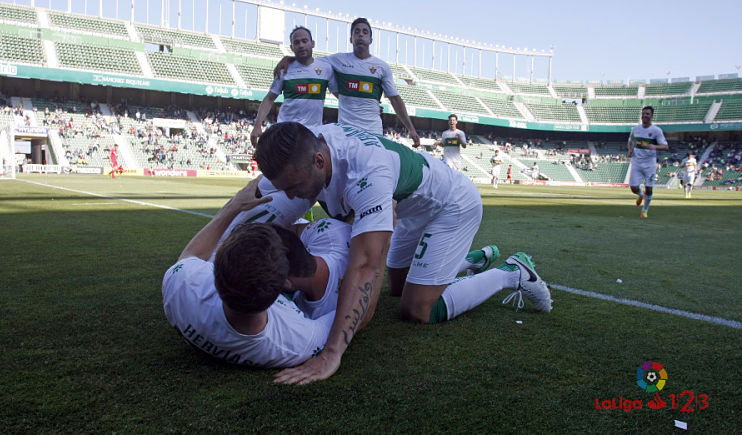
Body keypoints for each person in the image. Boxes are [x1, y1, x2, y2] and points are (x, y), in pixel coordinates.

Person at [255, 122, 552, 384]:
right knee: (397, 288)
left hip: (452, 206)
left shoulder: (366, 173)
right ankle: (464, 261)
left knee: (418, 309)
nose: (292, 196)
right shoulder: (306, 144)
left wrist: (332, 353)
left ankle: (511, 272)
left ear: (320, 161)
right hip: (410, 209)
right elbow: (256, 196)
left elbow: (366, 266)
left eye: (294, 187)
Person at [162, 176, 352, 368]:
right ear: (283, 288)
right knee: (306, 182)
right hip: (324, 249)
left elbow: (191, 255)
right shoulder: (297, 341)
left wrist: (234, 206)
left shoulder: (181, 284)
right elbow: (353, 312)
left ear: (214, 271)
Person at [275, 18, 420, 146]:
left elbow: (395, 99)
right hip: (346, 133)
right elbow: (308, 60)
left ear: (370, 39)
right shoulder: (338, 60)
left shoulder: (382, 67)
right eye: (356, 32)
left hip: (373, 132)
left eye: (365, 32)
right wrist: (289, 58)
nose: (360, 35)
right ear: (351, 39)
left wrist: (411, 129)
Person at [250, 26, 338, 145]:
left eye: (304, 41)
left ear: (312, 43)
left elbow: (341, 97)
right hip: (286, 132)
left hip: (312, 134)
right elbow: (269, 98)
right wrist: (257, 125)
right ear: (292, 47)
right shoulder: (284, 69)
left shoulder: (326, 68)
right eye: (296, 42)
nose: (301, 45)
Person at [628, 106, 669, 218]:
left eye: (647, 114)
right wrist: (630, 150)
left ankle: (644, 210)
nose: (645, 116)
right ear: (641, 115)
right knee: (633, 187)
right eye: (643, 113)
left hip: (649, 164)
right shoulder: (635, 129)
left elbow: (665, 146)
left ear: (651, 116)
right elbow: (630, 141)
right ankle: (641, 194)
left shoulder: (656, 130)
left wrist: (654, 146)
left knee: (649, 188)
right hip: (636, 162)